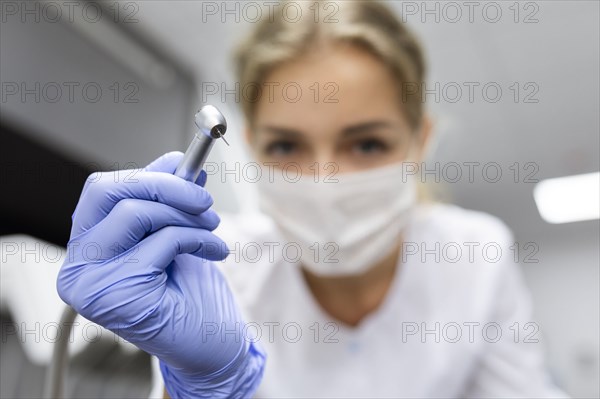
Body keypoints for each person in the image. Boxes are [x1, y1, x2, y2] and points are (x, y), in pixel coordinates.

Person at [57, 1, 567, 397]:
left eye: (367, 144)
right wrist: (206, 386)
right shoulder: (213, 263)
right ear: (254, 147)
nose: (323, 180)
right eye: (287, 146)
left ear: (419, 141)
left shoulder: (477, 253)